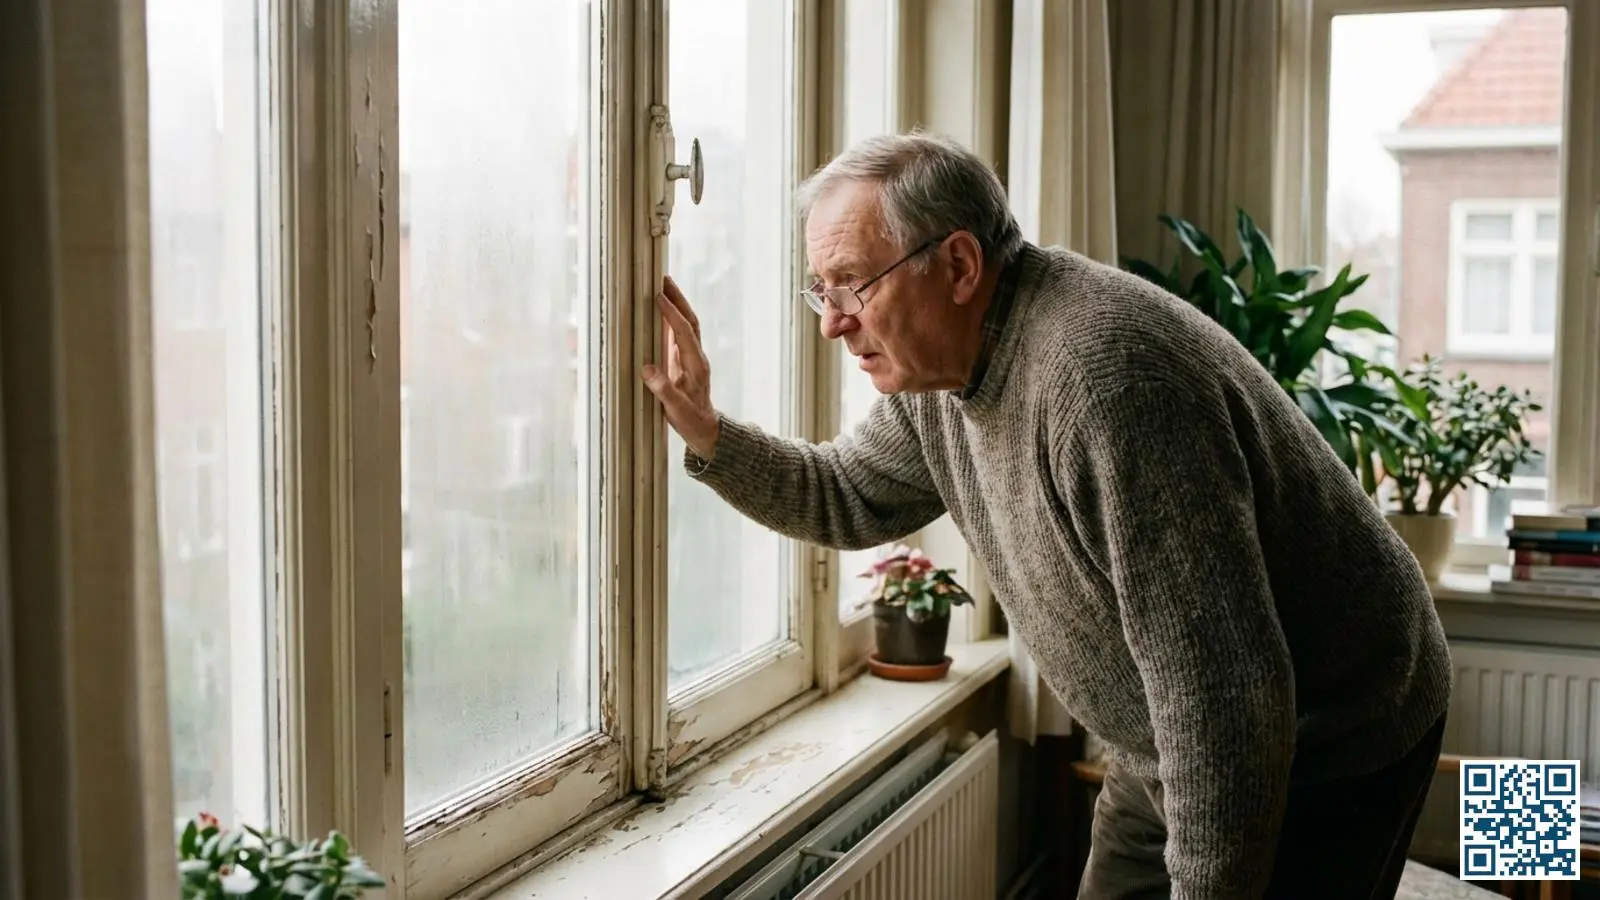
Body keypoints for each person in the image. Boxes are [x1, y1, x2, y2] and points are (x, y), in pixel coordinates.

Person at [641, 131, 1452, 899]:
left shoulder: (1108, 388)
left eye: (853, 283)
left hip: (1328, 734)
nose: (832, 321)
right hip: (1165, 744)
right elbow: (847, 493)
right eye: (821, 289)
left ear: (958, 264)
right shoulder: (946, 377)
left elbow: (1225, 700)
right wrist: (707, 430)